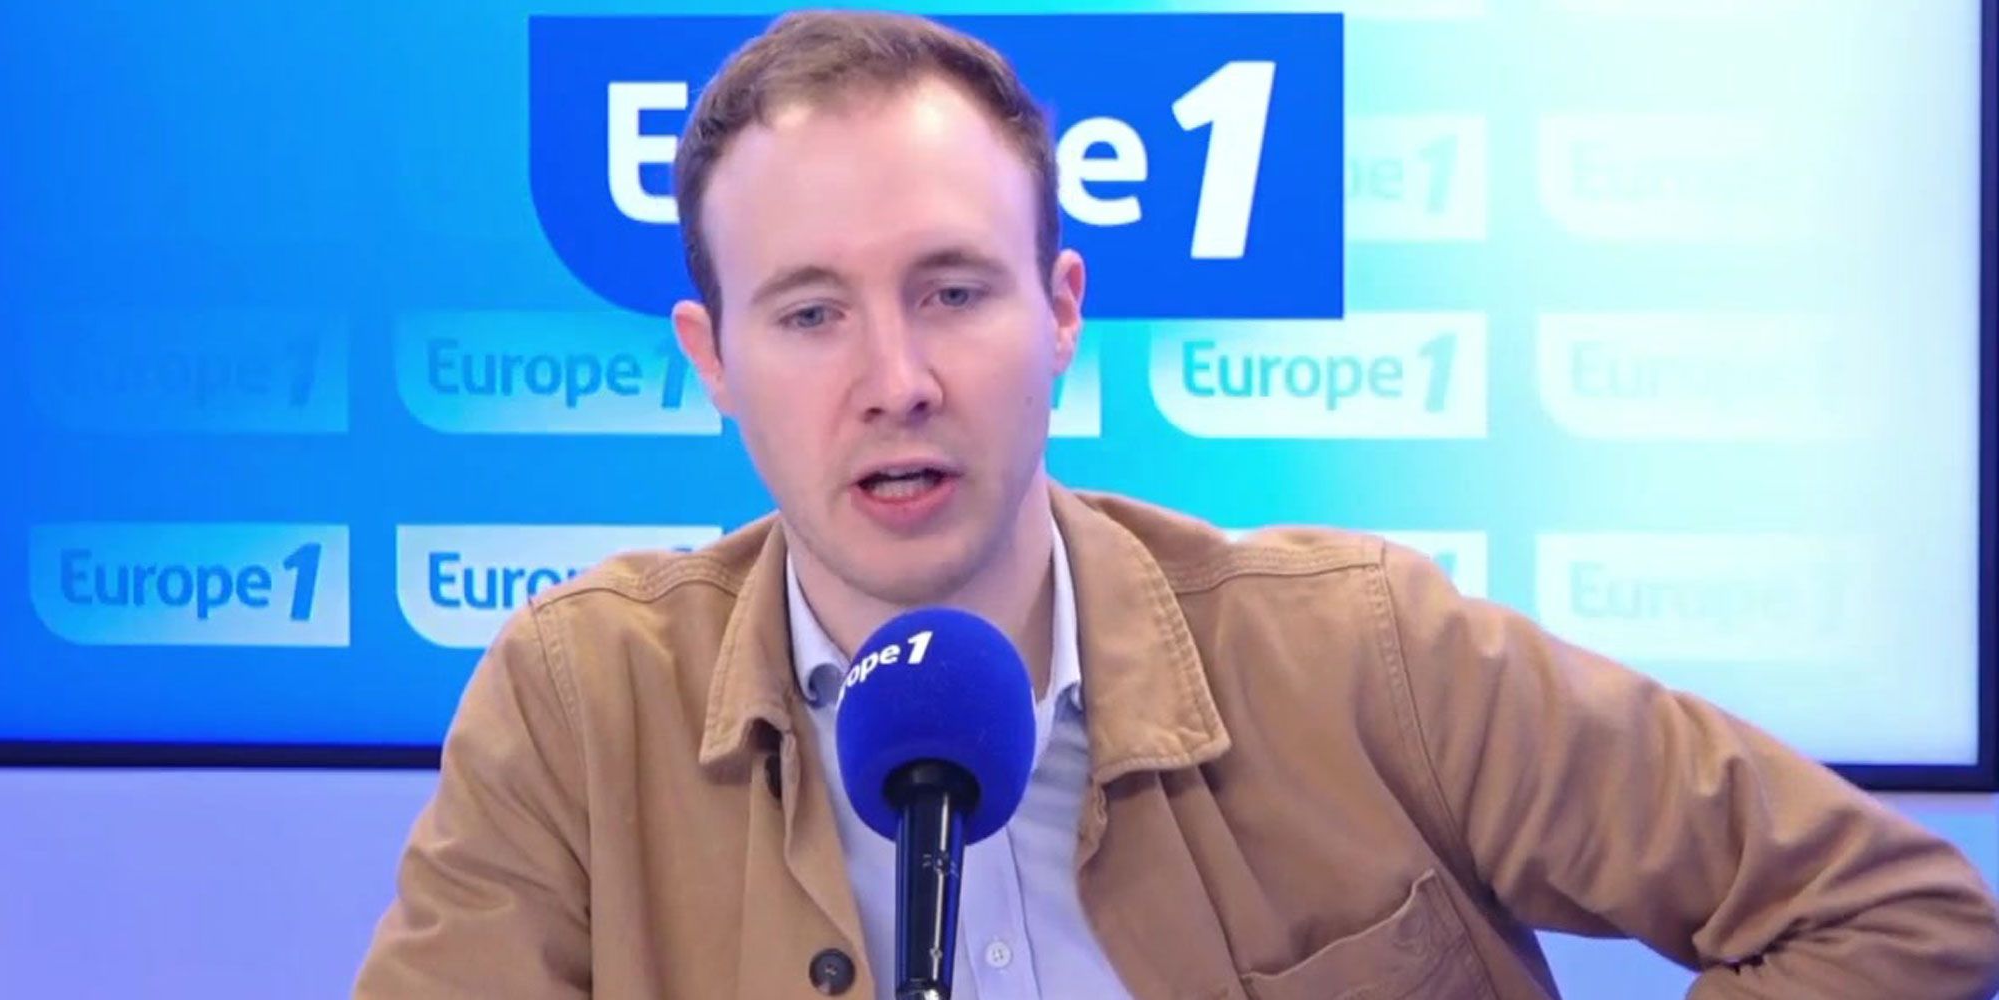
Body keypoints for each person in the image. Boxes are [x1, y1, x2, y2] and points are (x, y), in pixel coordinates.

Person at [353, 10, 1999, 999]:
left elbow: (1894, 915)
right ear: (713, 358)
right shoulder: (581, 705)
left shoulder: (1363, 654)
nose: (895, 378)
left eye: (953, 292)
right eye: (810, 314)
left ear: (1061, 312)